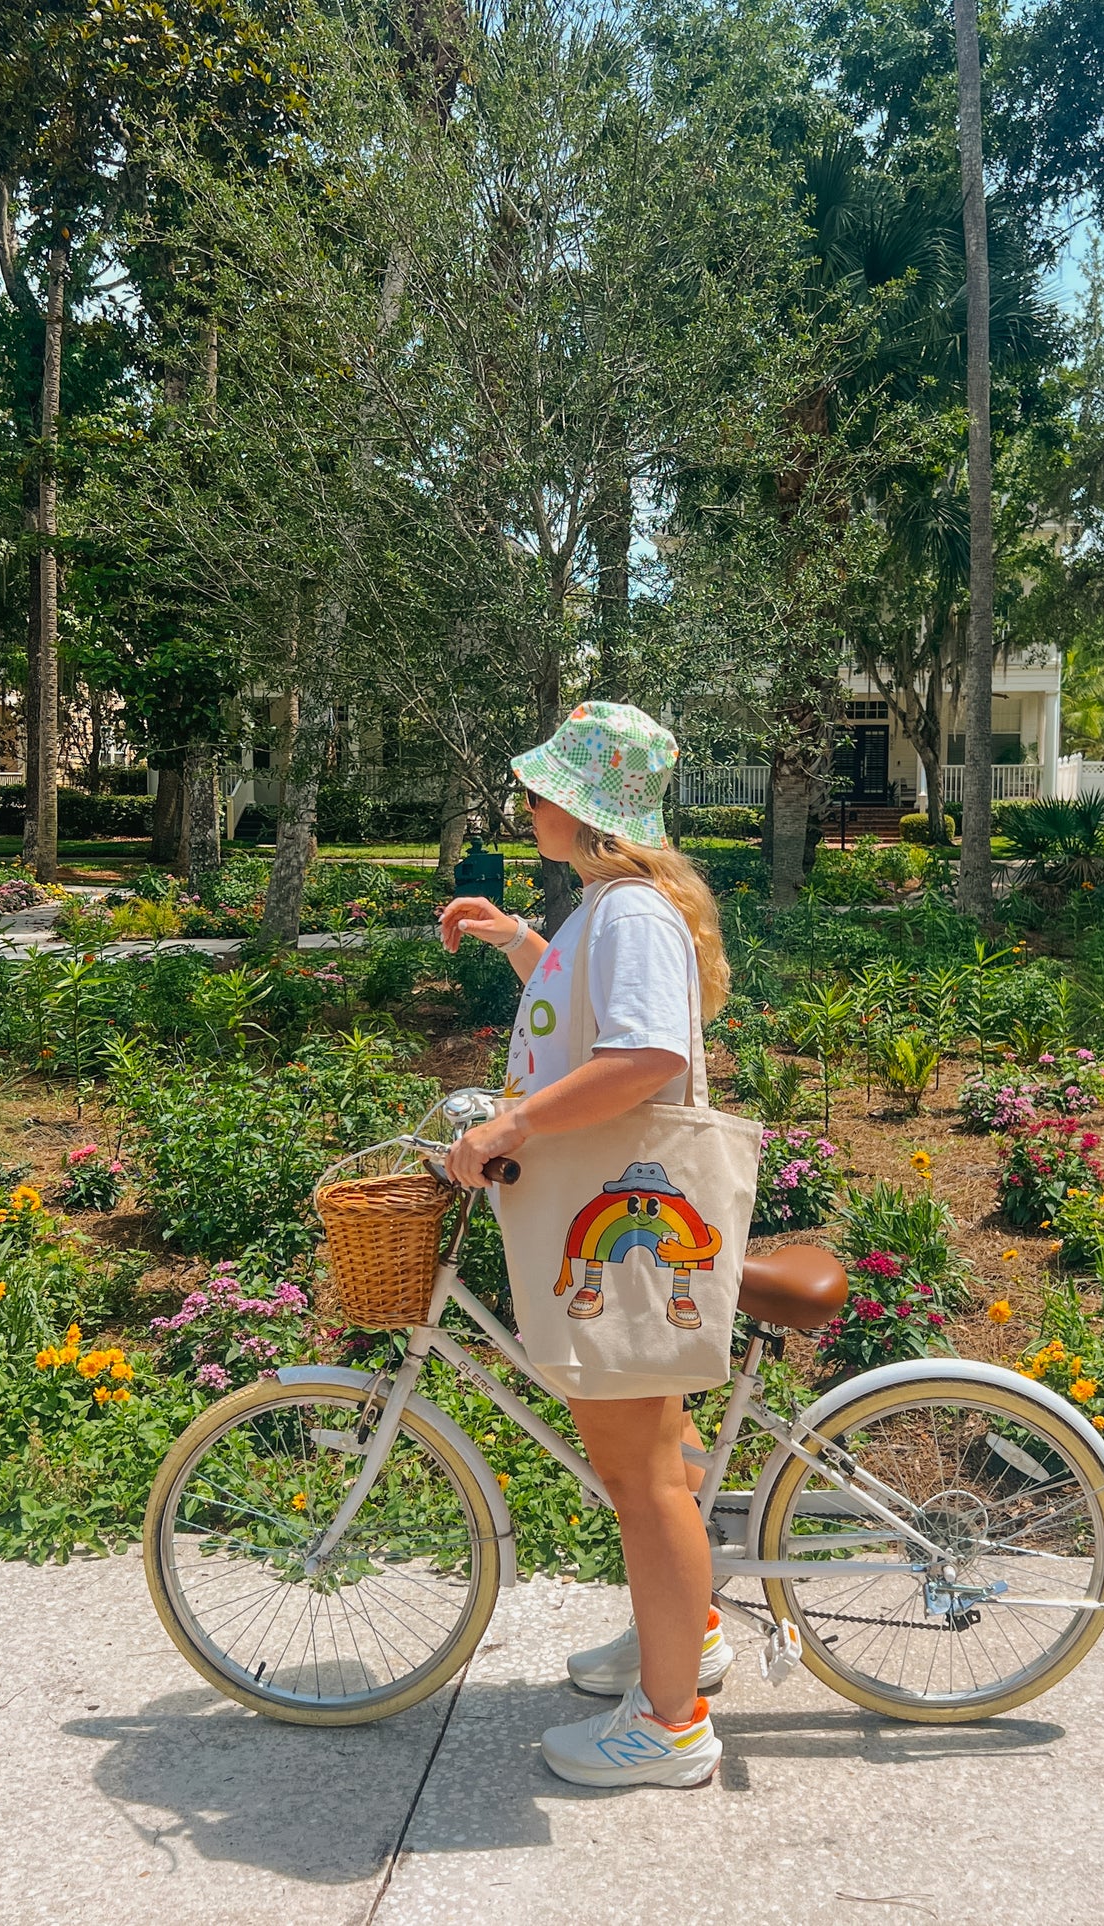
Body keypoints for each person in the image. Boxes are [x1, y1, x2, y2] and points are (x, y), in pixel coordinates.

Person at [440, 702, 733, 1790]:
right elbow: (590, 1022)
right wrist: (521, 942)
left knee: (640, 1474)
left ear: (584, 804)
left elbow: (646, 1054)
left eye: (541, 787)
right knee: (655, 1455)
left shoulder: (628, 914)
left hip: (621, 1228)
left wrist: (511, 1123)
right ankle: (685, 1638)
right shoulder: (606, 908)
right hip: (618, 1225)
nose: (528, 804)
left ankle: (670, 1728)